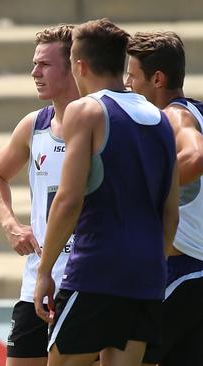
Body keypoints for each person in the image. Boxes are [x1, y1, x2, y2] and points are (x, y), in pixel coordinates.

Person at [32, 19, 180, 366]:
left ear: (79, 66)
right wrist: (149, 262)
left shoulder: (86, 110)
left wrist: (44, 272)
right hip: (146, 273)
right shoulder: (161, 118)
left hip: (98, 268)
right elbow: (171, 210)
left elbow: (69, 199)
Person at [0, 24, 79, 366]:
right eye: (34, 64)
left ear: (74, 67)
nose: (34, 72)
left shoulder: (103, 123)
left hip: (85, 281)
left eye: (45, 65)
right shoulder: (34, 125)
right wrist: (10, 224)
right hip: (37, 282)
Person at [125, 31, 203, 366]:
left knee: (122, 357)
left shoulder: (173, 115)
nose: (127, 83)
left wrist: (142, 191)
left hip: (183, 272)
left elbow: (196, 156)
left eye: (132, 75)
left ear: (157, 78)